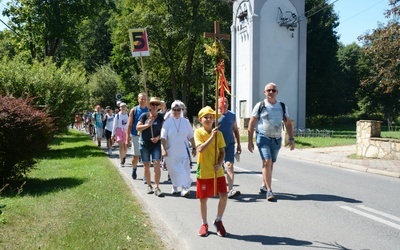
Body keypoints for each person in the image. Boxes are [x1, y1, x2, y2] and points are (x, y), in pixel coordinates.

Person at [247, 82, 295, 201]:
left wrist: (291, 139)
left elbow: (287, 123)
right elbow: (252, 123)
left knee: (271, 163)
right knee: (267, 161)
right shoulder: (260, 105)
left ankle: (264, 185)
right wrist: (250, 141)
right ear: (265, 92)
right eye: (268, 90)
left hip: (277, 139)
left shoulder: (282, 106)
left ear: (277, 92)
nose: (271, 92)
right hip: (263, 137)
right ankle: (269, 190)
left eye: (273, 90)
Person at [194, 106, 227, 237]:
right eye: (206, 117)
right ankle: (204, 223)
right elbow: (200, 149)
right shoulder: (198, 133)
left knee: (224, 196)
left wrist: (219, 164)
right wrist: (211, 137)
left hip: (217, 171)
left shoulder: (219, 134)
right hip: (204, 171)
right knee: (203, 199)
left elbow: (222, 151)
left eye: (211, 117)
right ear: (200, 120)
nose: (208, 119)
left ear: (214, 119)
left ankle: (218, 220)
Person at [161, 100, 196, 197]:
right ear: (171, 110)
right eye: (174, 110)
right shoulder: (167, 123)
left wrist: (194, 147)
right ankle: (175, 186)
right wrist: (163, 149)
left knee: (185, 170)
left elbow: (191, 136)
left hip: (183, 151)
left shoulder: (185, 122)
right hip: (171, 152)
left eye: (178, 110)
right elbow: (163, 138)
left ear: (181, 110)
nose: (176, 112)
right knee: (174, 171)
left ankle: (185, 188)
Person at [136, 97, 164, 197]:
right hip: (145, 144)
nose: (155, 106)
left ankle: (156, 187)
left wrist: (157, 137)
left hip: (156, 144)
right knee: (146, 165)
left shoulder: (161, 117)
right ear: (149, 105)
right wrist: (148, 125)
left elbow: (164, 131)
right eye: (153, 104)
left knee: (156, 163)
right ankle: (149, 185)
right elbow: (138, 127)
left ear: (159, 106)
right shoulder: (144, 116)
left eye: (157, 104)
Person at [217, 97, 242, 199]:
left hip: (230, 145)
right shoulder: (214, 115)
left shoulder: (232, 115)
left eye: (226, 102)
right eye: (222, 102)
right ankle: (216, 188)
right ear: (218, 104)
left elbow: (235, 130)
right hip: (217, 146)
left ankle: (230, 189)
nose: (224, 104)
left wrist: (239, 144)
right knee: (217, 167)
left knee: (229, 166)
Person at [126, 93, 148, 180]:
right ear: (138, 99)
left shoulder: (149, 109)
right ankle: (134, 168)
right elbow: (129, 124)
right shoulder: (134, 110)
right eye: (141, 99)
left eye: (144, 99)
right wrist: (127, 138)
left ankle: (145, 176)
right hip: (136, 136)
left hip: (147, 136)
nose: (143, 100)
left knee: (146, 158)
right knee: (136, 156)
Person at [112, 102, 129, 167]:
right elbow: (114, 124)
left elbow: (129, 124)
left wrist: (129, 134)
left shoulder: (128, 115)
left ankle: (124, 156)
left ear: (126, 107)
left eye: (124, 106)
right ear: (120, 108)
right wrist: (112, 134)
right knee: (121, 146)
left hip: (126, 131)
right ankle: (121, 161)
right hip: (119, 131)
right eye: (122, 106)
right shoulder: (117, 115)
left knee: (125, 147)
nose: (123, 108)